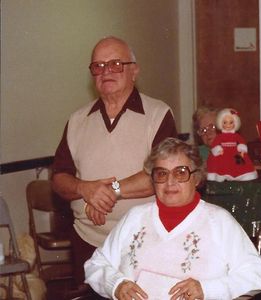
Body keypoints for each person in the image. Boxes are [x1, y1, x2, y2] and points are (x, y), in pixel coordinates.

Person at [51, 36, 178, 293]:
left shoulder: (158, 114)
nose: (105, 71)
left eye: (115, 64)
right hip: (88, 242)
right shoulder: (77, 120)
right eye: (97, 66)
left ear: (134, 70)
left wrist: (108, 193)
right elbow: (59, 177)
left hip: (143, 243)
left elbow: (162, 174)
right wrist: (86, 189)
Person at [84, 137, 261, 299]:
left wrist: (206, 289)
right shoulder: (135, 217)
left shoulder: (218, 221)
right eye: (161, 173)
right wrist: (115, 285)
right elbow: (96, 264)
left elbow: (258, 274)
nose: (170, 181)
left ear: (196, 178)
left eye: (180, 172)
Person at [206, 108, 258, 182]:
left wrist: (242, 149)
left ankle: (242, 175)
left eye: (231, 122)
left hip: (235, 152)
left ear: (235, 123)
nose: (228, 125)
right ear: (221, 123)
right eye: (225, 122)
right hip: (223, 154)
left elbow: (241, 142)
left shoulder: (237, 136)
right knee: (221, 166)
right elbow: (215, 144)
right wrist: (218, 150)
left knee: (240, 165)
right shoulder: (219, 137)